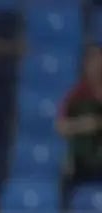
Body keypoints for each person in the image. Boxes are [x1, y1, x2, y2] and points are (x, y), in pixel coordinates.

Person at [56, 44, 102, 199]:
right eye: (92, 61)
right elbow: (61, 127)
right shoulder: (76, 95)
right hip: (83, 160)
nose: (97, 65)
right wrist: (84, 125)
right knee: (66, 173)